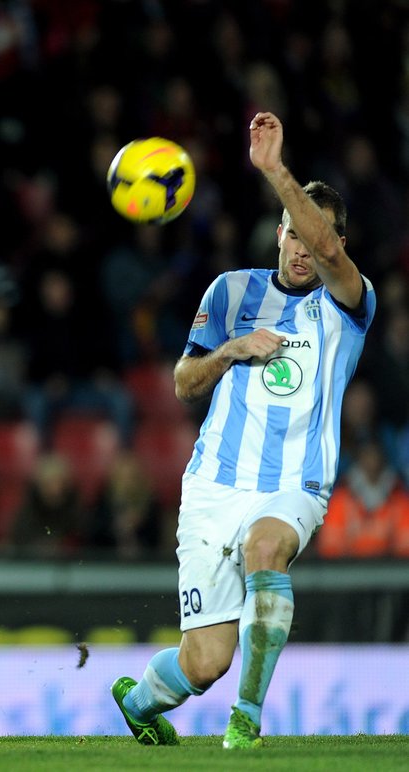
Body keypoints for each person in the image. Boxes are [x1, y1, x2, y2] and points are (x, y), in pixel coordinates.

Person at [110, 112, 376, 750]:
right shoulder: (231, 291)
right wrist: (232, 350)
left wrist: (273, 170)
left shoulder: (350, 301)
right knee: (204, 664)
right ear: (277, 234)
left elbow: (333, 251)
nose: (305, 248)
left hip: (294, 484)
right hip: (213, 487)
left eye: (318, 237)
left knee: (266, 548)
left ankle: (247, 720)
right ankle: (141, 702)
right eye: (295, 235)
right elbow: (183, 381)